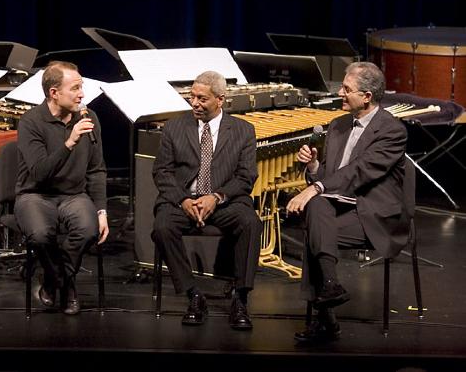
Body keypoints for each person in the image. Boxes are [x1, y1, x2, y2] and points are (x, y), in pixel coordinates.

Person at [287, 61, 409, 343]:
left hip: (374, 213)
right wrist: (315, 167)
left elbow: (360, 171)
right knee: (317, 211)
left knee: (315, 226)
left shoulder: (392, 130)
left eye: (346, 89)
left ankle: (324, 316)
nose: (339, 93)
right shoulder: (338, 125)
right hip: (337, 207)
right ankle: (330, 286)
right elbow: (333, 175)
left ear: (367, 96)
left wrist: (314, 187)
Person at [151, 70, 261, 329]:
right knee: (163, 227)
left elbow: (246, 176)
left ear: (220, 99)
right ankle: (193, 295)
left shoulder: (243, 130)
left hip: (224, 201)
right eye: (192, 97)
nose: (195, 103)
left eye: (202, 99)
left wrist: (217, 196)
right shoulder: (175, 127)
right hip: (184, 200)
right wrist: (183, 201)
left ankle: (240, 298)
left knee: (251, 223)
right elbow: (161, 171)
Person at [14, 61, 109, 315]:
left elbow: (96, 169)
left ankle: (52, 280)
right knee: (40, 234)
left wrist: (101, 211)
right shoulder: (31, 122)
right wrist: (69, 142)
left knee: (88, 230)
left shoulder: (89, 118)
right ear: (54, 93)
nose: (82, 94)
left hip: (73, 195)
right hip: (35, 194)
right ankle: (67, 284)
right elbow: (39, 172)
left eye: (82, 87)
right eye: (75, 88)